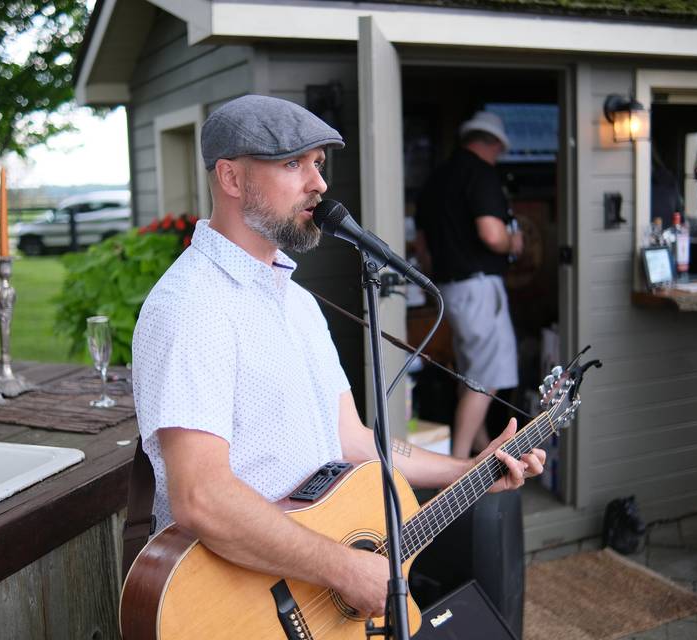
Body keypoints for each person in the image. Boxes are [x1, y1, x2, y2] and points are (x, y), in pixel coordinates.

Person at [131, 95, 545, 621]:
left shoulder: (298, 303)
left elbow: (354, 441)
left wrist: (467, 469)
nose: (318, 184)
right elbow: (201, 496)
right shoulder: (191, 307)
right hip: (235, 609)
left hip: (313, 594)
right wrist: (343, 568)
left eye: (318, 164)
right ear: (231, 179)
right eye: (292, 163)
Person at [414, 111, 523, 459]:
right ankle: (460, 470)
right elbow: (492, 234)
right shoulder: (481, 174)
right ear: (491, 143)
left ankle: (482, 452)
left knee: (474, 376)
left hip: (449, 290)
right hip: (478, 287)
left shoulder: (436, 179)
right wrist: (513, 243)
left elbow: (421, 246)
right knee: (484, 380)